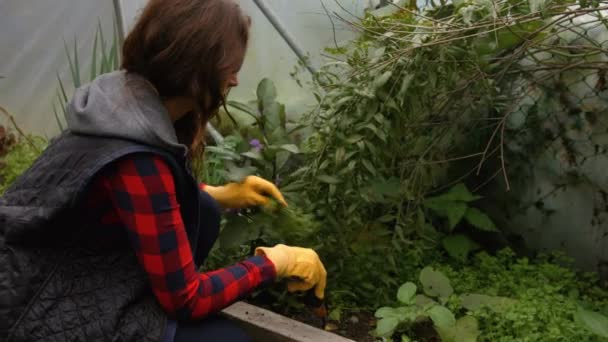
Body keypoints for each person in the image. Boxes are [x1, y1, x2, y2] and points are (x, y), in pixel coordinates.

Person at [0, 0, 327, 341]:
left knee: (204, 210)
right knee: (229, 339)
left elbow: (121, 200)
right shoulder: (138, 160)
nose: (234, 79)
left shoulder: (119, 104)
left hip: (48, 276)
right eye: (230, 67)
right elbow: (189, 299)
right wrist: (274, 263)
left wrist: (219, 194)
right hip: (39, 314)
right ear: (197, 63)